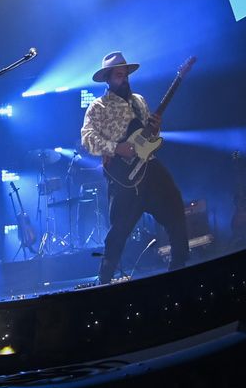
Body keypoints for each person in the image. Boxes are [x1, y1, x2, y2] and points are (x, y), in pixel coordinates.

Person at [80, 52, 188, 283]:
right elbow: (87, 138)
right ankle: (104, 282)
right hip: (122, 177)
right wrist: (116, 148)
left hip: (150, 168)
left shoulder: (139, 100)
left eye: (125, 74)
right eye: (119, 75)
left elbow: (148, 137)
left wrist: (155, 129)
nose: (124, 79)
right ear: (108, 79)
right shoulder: (98, 107)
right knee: (118, 232)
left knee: (176, 208)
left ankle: (178, 269)